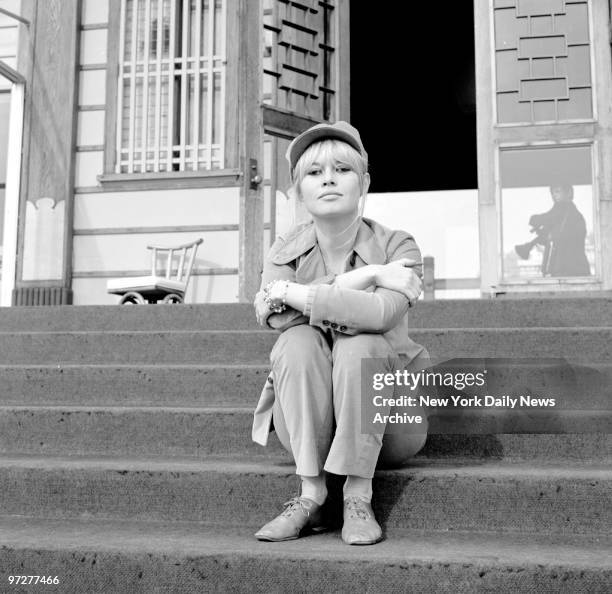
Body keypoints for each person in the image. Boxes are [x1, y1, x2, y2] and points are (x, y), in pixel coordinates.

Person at [252, 121, 430, 545]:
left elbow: (380, 313)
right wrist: (367, 275)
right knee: (295, 342)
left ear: (364, 181)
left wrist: (291, 295)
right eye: (314, 173)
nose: (328, 179)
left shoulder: (399, 246)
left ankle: (357, 494)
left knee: (363, 342)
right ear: (298, 190)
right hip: (307, 421)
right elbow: (277, 321)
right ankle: (311, 492)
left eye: (342, 169)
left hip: (387, 422)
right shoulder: (285, 249)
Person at [514, 184, 590, 277]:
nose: (554, 195)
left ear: (568, 192)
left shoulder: (567, 211)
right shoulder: (564, 213)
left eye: (557, 191)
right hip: (567, 269)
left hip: (571, 269)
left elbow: (545, 219)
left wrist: (546, 232)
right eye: (552, 193)